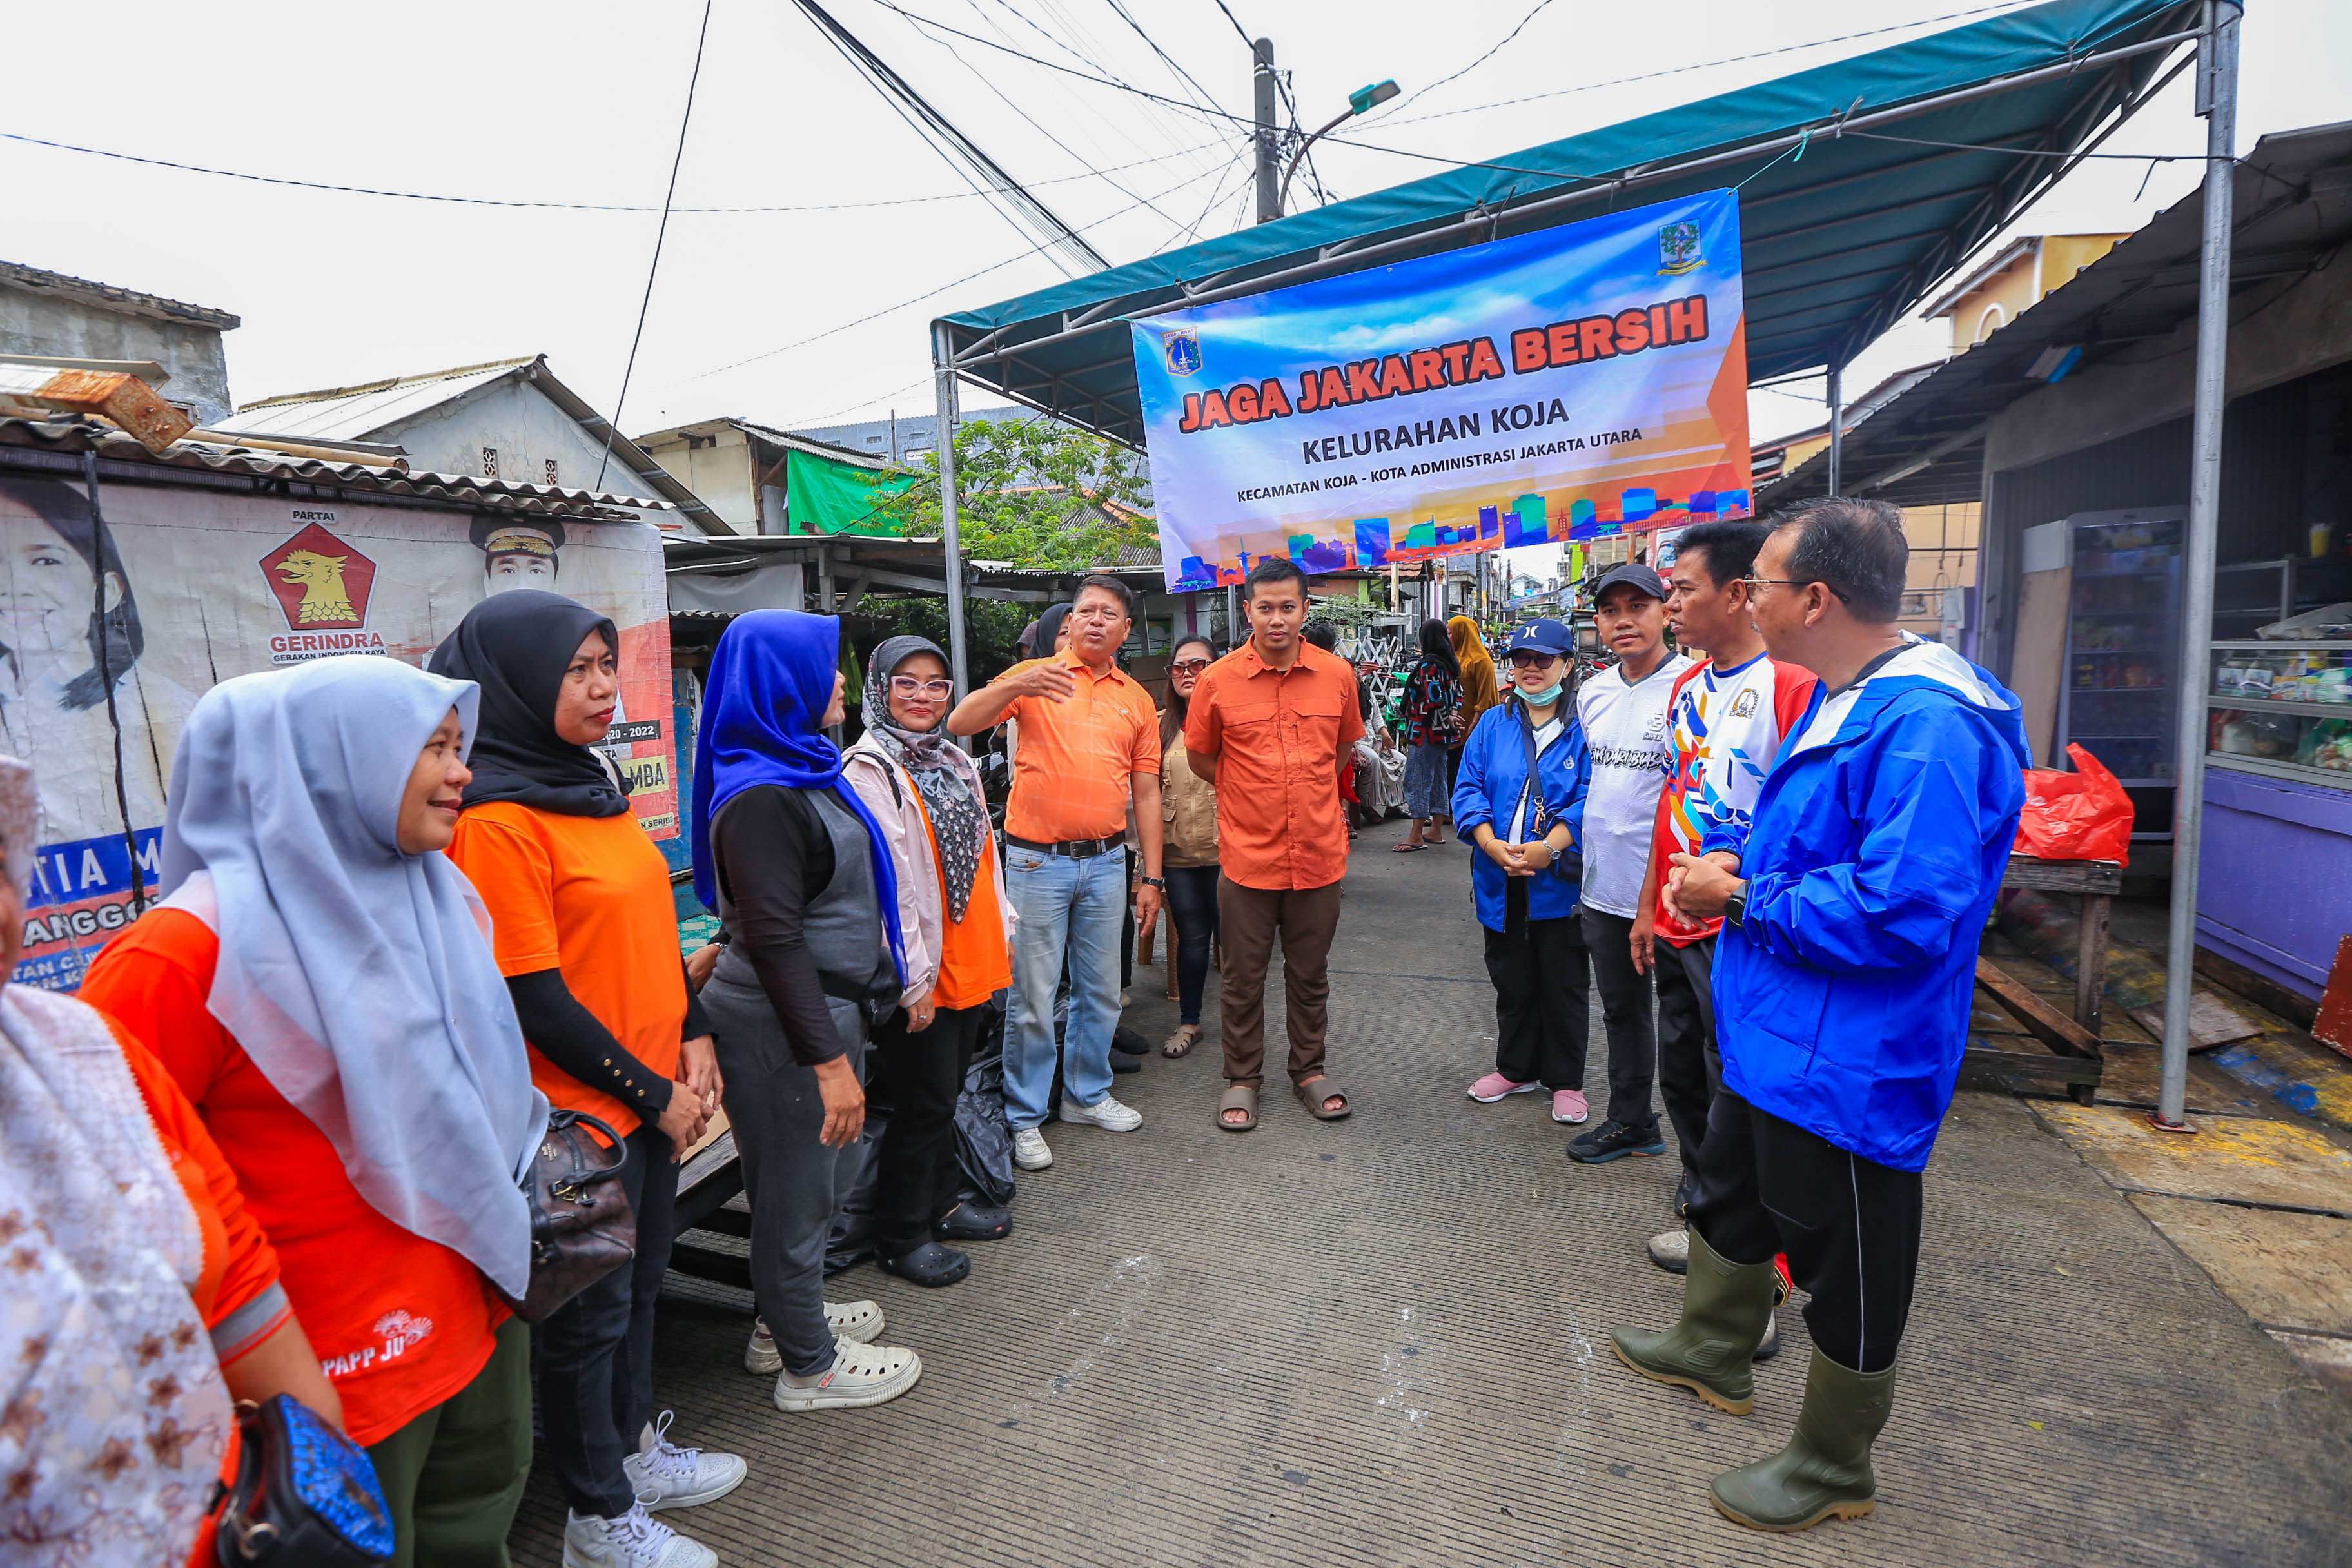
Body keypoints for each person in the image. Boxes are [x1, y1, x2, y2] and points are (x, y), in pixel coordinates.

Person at [1614, 498, 2028, 1532]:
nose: (1745, 594)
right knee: (1737, 1193)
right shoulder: (1858, 695)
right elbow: (1816, 844)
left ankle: (1835, 1464)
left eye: (1758, 578)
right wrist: (1737, 864)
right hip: (1781, 1025)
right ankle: (1715, 1347)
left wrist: (1743, 898)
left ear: (1816, 599)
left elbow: (1904, 911)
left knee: (1847, 1259)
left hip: (1853, 1053)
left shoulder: (1930, 722)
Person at [82, 656, 548, 1568]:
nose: (464, 773)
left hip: (474, 1316)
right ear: (328, 762)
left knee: (477, 1538)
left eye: (462, 747)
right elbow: (116, 1193)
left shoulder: (437, 897)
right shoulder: (181, 954)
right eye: (433, 748)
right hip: (317, 1383)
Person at [429, 591, 741, 1566]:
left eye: (608, 664)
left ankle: (633, 1453)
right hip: (574, 1121)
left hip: (648, 1099)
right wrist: (656, 1094)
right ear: (516, 682)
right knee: (586, 1322)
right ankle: (596, 1520)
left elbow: (649, 932)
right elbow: (534, 996)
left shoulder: (588, 783)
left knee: (643, 1289)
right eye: (578, 670)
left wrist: (692, 1034)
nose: (605, 688)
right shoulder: (496, 817)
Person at [0, 749, 356, 1568]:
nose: (460, 776)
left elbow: (229, 1275)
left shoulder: (83, 1053)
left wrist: (321, 1501)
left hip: (231, 1529)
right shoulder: (172, 953)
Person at [691, 610, 926, 1415]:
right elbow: (779, 941)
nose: (838, 684)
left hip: (822, 1011)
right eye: (824, 668)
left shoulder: (803, 769)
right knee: (795, 1197)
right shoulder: (760, 796)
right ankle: (806, 1364)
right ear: (779, 683)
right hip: (788, 1027)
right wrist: (829, 1063)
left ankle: (783, 1317)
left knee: (812, 1186)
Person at [1627, 522, 1817, 1271]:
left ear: (1737, 593)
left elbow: (1801, 824)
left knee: (1737, 1086)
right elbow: (1669, 803)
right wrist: (1648, 905)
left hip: (1741, 929)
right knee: (1683, 1077)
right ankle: (1708, 1217)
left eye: (1682, 588)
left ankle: (1754, 1265)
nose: (1670, 602)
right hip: (1676, 922)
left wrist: (1733, 888)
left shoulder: (1791, 685)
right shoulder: (1685, 686)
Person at [947, 576, 1164, 1173]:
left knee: (1101, 990)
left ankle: (1086, 1094)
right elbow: (962, 722)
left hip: (1105, 862)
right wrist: (1017, 680)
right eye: (1085, 611)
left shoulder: (1137, 700)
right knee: (1031, 997)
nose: (1096, 620)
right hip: (1036, 861)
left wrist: (1153, 875)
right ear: (1070, 622)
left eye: (1109, 613)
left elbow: (1146, 792)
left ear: (1125, 629)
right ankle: (1023, 1115)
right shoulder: (1039, 677)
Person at [843, 635, 1016, 1288]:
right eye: (906, 682)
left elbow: (982, 849)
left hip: (969, 952)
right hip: (922, 967)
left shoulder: (951, 758)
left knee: (945, 1095)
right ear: (880, 689)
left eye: (936, 684)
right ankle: (902, 1235)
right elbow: (896, 886)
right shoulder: (869, 768)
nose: (922, 696)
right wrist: (912, 984)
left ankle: (942, 1203)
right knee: (921, 1102)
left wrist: (1004, 929)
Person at [1182, 557, 1362, 1131]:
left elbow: (1340, 752)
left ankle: (1309, 1070)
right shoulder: (1217, 680)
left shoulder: (1337, 675)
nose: (1277, 619)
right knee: (1242, 976)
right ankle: (1243, 1078)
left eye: (1288, 607)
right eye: (1266, 608)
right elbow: (1202, 758)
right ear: (1248, 611)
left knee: (1310, 974)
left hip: (1318, 854)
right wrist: (1252, 794)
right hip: (1247, 856)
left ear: (1306, 609)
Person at [1565, 563, 1693, 1165]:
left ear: (1665, 611)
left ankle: (1709, 1166)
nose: (1624, 621)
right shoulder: (1593, 691)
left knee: (1689, 1027)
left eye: (1637, 607)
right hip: (1604, 886)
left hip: (1675, 892)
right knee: (1622, 1009)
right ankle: (1631, 1119)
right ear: (1598, 622)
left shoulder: (1695, 686)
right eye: (1611, 610)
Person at [1450, 619, 1594, 1126]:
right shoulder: (1492, 724)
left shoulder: (1585, 728)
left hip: (1559, 881)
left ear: (1567, 665)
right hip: (1499, 876)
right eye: (1522, 658)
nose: (1531, 669)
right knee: (1511, 978)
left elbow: (1591, 799)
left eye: (1544, 659)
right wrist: (1489, 844)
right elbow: (1467, 788)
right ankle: (1516, 1069)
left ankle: (1567, 1080)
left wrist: (1549, 849)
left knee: (1563, 980)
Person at [1156, 634, 1220, 1059]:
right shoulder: (1158, 725)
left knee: (1238, 945)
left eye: (1197, 665)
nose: (1186, 674)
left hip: (1227, 852)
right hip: (1178, 854)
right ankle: (1190, 1022)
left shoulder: (1232, 720)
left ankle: (1242, 1027)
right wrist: (1149, 865)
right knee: (1192, 940)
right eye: (1179, 668)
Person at [1394, 618, 1463, 850]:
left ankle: (1415, 836)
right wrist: (1452, 714)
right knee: (1437, 779)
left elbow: (1434, 698)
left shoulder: (1428, 666)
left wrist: (1446, 714)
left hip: (1424, 730)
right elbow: (1457, 693)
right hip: (1443, 733)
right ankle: (1435, 830)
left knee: (1417, 780)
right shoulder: (1451, 664)